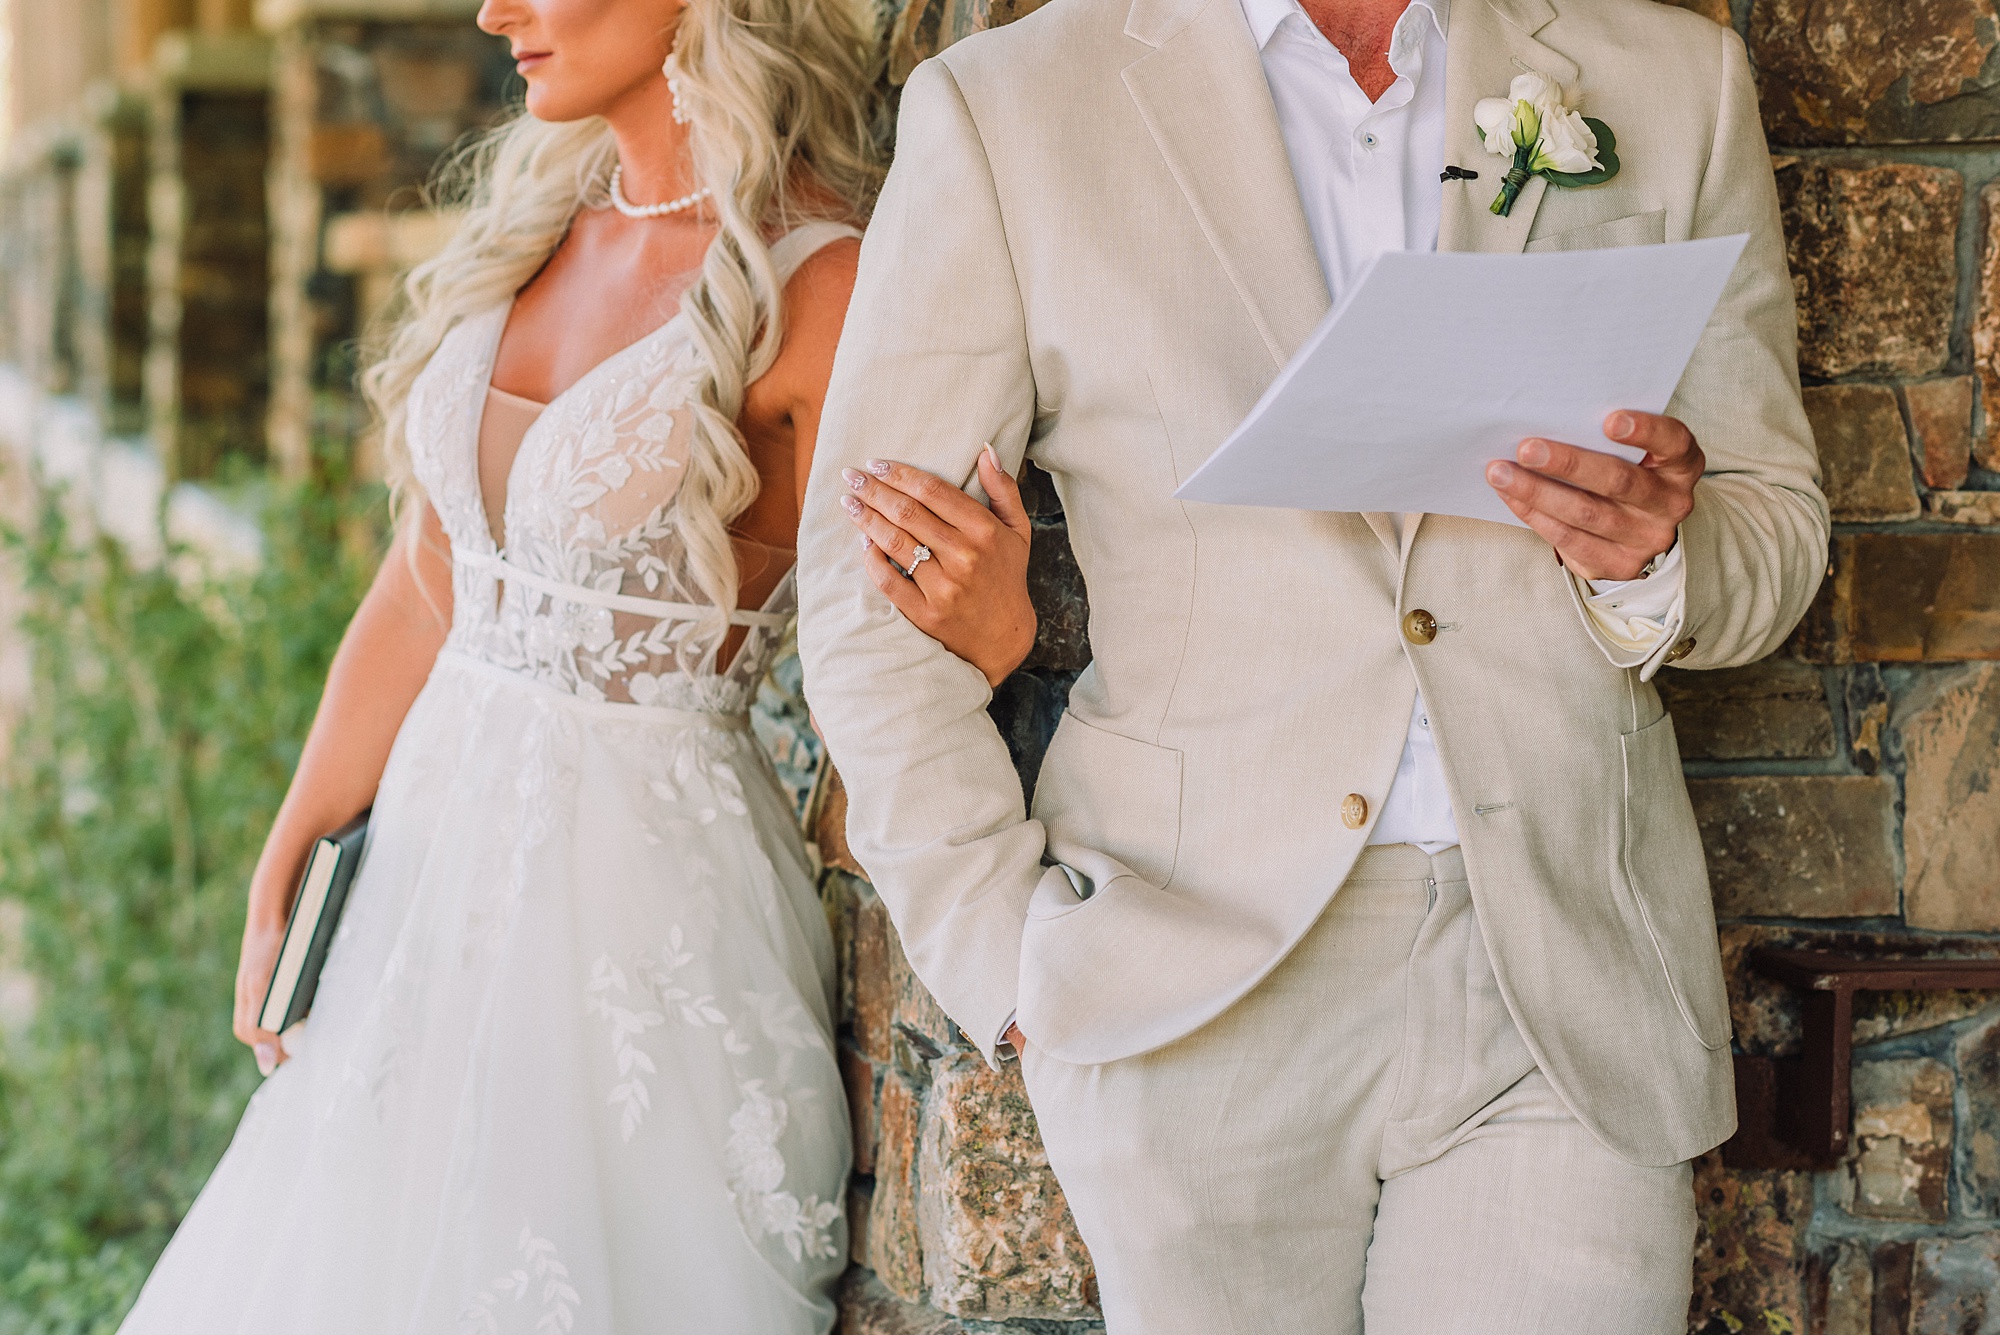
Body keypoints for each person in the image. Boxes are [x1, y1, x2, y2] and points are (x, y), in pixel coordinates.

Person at [799, 0, 1827, 1328]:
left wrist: (1655, 555)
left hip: (1563, 974)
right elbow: (867, 583)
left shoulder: (1673, 78)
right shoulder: (1007, 106)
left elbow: (1777, 528)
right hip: (1188, 982)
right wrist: (1001, 958)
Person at [116, 0, 1035, 1329]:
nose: (496, 11)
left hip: (640, 925)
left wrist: (993, 633)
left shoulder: (823, 287)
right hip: (419, 895)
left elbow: (889, 636)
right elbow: (429, 584)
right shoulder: (542, 221)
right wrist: (299, 832)